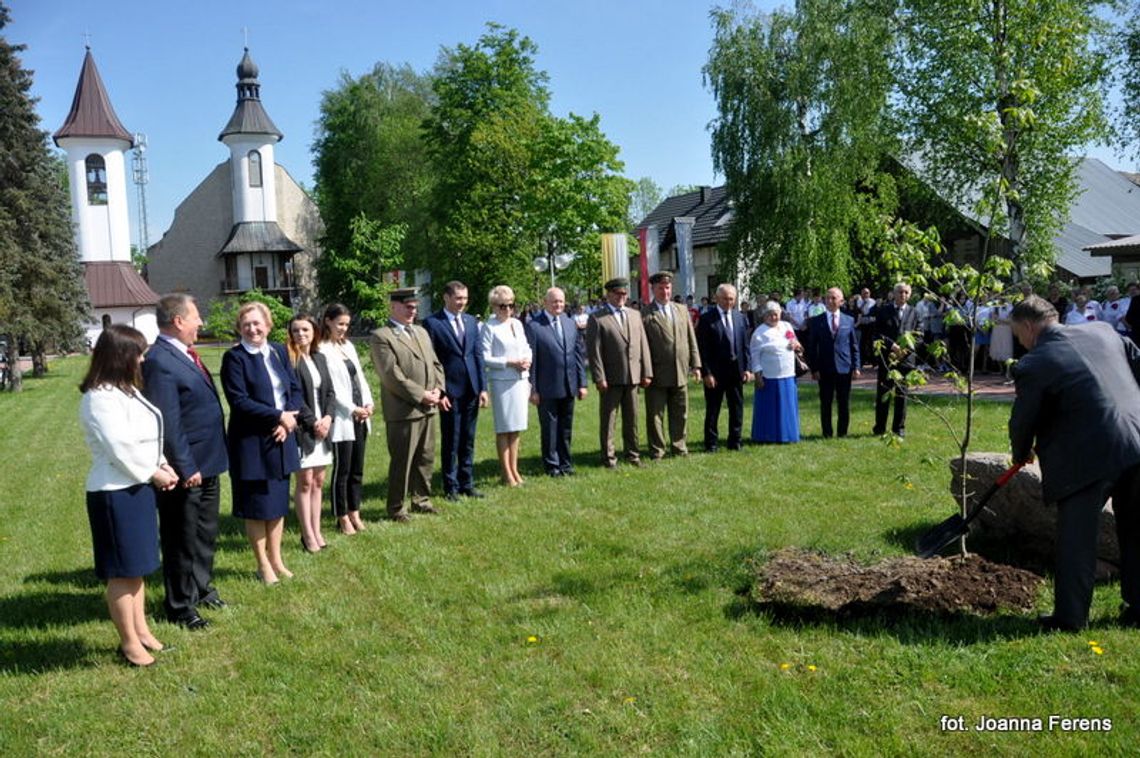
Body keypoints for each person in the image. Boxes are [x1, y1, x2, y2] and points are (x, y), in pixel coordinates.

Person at [1008, 296, 1140, 631]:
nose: (1019, 342)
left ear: (1027, 326)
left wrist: (1021, 452)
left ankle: (1069, 618)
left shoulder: (1035, 362)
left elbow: (1023, 420)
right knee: (1137, 529)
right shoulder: (1104, 331)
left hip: (1087, 458)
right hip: (1137, 441)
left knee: (1077, 540)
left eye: (1017, 334)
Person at [80, 325, 179, 667]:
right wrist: (154, 473)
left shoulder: (126, 391)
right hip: (114, 493)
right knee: (122, 571)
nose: (142, 358)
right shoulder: (99, 397)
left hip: (136, 487)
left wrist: (162, 462)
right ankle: (128, 643)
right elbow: (120, 448)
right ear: (120, 356)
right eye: (137, 352)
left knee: (137, 568)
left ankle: (142, 631)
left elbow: (149, 433)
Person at [141, 293, 228, 631]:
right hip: (185, 468)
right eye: (196, 317)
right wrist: (185, 465)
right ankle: (179, 605)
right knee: (181, 536)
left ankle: (201, 588)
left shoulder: (185, 355)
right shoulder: (160, 360)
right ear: (178, 321)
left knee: (205, 531)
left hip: (207, 461)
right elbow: (168, 422)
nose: (201, 323)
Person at [221, 302, 302, 585]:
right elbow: (240, 401)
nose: (253, 329)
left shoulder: (279, 351)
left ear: (268, 325)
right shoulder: (234, 358)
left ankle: (277, 559)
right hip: (252, 442)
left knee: (278, 503)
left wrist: (288, 419)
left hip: (282, 437)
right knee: (257, 506)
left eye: (257, 323)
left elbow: (294, 388)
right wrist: (278, 417)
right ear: (240, 328)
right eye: (247, 325)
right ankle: (262, 564)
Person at [371, 288, 447, 522]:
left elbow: (435, 363)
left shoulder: (421, 332)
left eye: (415, 307)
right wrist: (421, 394)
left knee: (426, 457)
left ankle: (421, 500)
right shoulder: (382, 336)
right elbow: (391, 375)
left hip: (428, 406)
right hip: (404, 410)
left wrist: (438, 388)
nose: (412, 311)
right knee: (402, 461)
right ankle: (396, 507)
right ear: (393, 307)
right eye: (407, 307)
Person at [423, 281, 488, 501]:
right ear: (446, 298)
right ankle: (450, 486)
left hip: (471, 388)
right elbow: (430, 362)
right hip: (449, 391)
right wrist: (438, 393)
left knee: (468, 439)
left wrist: (483, 388)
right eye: (458, 298)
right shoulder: (432, 323)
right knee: (452, 439)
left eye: (465, 298)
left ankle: (466, 483)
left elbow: (478, 355)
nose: (462, 303)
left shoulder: (471, 322)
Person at [587, 277, 653, 468]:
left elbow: (643, 345)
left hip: (633, 376)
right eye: (618, 294)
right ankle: (608, 458)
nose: (621, 297)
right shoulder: (597, 318)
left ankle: (633, 455)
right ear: (609, 294)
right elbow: (594, 351)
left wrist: (646, 372)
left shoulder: (634, 314)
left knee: (632, 419)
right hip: (611, 378)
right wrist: (599, 377)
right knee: (609, 420)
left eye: (624, 294)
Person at [320, 303, 374, 535]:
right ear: (328, 321)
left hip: (360, 415)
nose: (343, 329)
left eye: (346, 325)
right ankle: (341, 516)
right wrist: (352, 408)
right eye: (340, 324)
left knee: (357, 469)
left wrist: (368, 403)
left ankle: (355, 512)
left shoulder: (348, 346)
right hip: (343, 417)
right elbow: (331, 387)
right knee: (343, 469)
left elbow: (359, 378)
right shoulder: (322, 349)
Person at [527, 286, 588, 476]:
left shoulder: (570, 323)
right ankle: (552, 465)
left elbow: (578, 355)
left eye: (561, 301)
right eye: (554, 301)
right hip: (546, 388)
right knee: (550, 429)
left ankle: (566, 464)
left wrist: (582, 383)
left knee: (565, 428)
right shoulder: (534, 326)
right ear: (545, 302)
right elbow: (533, 360)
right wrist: (533, 389)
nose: (558, 305)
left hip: (569, 384)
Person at [642, 271, 702, 459]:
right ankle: (657, 450)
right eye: (660, 288)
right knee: (655, 415)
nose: (665, 291)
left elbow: (691, 339)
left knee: (680, 413)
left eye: (667, 287)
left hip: (680, 370)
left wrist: (696, 365)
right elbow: (641, 347)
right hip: (656, 373)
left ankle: (679, 446)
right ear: (653, 289)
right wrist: (645, 372)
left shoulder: (681, 310)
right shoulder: (644, 314)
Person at [287, 315, 334, 553]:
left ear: (314, 331)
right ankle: (306, 535)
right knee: (304, 482)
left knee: (319, 481)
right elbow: (294, 397)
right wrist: (313, 421)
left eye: (305, 329)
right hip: (303, 429)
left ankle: (317, 531)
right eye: (295, 331)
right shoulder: (290, 361)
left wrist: (327, 418)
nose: (300, 334)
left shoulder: (320, 357)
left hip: (323, 427)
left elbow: (330, 394)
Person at [480, 285, 532, 487]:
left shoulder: (517, 324)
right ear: (494, 306)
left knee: (516, 427)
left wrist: (527, 360)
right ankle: (506, 472)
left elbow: (526, 347)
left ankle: (515, 469)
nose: (508, 310)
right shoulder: (489, 326)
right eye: (503, 306)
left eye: (511, 305)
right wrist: (509, 362)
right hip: (502, 382)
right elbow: (485, 357)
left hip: (520, 380)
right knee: (504, 428)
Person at [696, 283, 753, 451]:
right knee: (713, 409)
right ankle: (711, 443)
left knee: (737, 408)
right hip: (716, 373)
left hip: (736, 371)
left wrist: (747, 369)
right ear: (716, 298)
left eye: (731, 299)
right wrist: (707, 373)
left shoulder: (740, 317)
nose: (728, 302)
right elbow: (703, 349)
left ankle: (735, 441)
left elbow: (745, 346)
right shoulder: (707, 319)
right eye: (725, 298)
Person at [807, 287, 861, 438]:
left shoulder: (848, 320)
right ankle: (827, 433)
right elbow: (811, 347)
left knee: (844, 403)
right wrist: (814, 369)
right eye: (827, 298)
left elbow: (854, 346)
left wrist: (856, 366)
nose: (830, 301)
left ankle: (842, 433)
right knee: (826, 403)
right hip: (824, 368)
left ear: (841, 301)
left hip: (844, 368)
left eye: (833, 298)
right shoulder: (817, 321)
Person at [748, 301, 802, 443]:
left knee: (787, 407)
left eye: (776, 315)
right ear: (765, 316)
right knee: (769, 408)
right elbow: (755, 356)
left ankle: (789, 435)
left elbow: (796, 343)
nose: (774, 318)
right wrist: (758, 375)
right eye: (770, 315)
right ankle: (767, 435)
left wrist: (796, 345)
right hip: (769, 376)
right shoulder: (759, 333)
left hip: (788, 374)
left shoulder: (787, 326)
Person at [873, 283, 919, 438]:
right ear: (894, 293)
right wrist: (891, 346)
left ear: (910, 295)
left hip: (906, 360)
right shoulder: (883, 311)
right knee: (883, 394)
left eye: (906, 292)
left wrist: (905, 350)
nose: (903, 295)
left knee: (902, 395)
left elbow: (919, 335)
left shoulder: (914, 312)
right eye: (900, 292)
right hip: (887, 358)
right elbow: (876, 333)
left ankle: (898, 428)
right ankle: (879, 427)